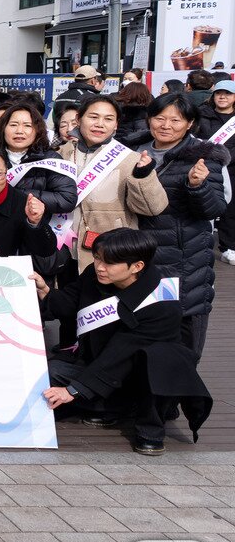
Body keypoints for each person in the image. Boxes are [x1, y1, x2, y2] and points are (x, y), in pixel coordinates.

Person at [35, 229, 210, 456]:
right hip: (97, 361)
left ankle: (150, 429)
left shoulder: (162, 302)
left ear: (137, 266)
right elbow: (69, 301)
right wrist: (46, 293)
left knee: (158, 360)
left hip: (141, 373)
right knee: (48, 371)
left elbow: (121, 352)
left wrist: (74, 390)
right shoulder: (94, 274)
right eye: (97, 257)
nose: (99, 266)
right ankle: (110, 407)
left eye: (109, 263)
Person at [129, 92, 230, 359]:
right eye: (159, 118)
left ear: (190, 123)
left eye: (176, 120)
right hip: (139, 258)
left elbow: (214, 209)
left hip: (183, 263)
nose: (166, 125)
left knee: (183, 344)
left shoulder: (204, 157)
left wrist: (198, 186)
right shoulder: (130, 151)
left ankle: (184, 399)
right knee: (142, 342)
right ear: (149, 119)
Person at [57, 95, 168, 270]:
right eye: (93, 117)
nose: (100, 124)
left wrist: (142, 176)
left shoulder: (130, 159)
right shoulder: (59, 154)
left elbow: (153, 208)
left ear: (116, 125)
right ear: (78, 119)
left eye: (108, 119)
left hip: (111, 254)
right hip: (63, 250)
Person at [0, 102, 78, 220]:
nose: (19, 131)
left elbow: (66, 200)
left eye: (27, 125)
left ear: (37, 130)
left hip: (32, 227)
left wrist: (16, 194)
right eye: (13, 125)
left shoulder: (50, 158)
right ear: (3, 128)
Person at [197, 79, 235, 265]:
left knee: (231, 209)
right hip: (208, 167)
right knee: (205, 205)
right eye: (219, 92)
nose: (222, 96)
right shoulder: (202, 115)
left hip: (233, 169)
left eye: (227, 93)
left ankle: (229, 247)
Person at [114, 81, 153, 147]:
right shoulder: (145, 113)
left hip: (114, 144)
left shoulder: (115, 109)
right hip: (133, 147)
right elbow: (141, 134)